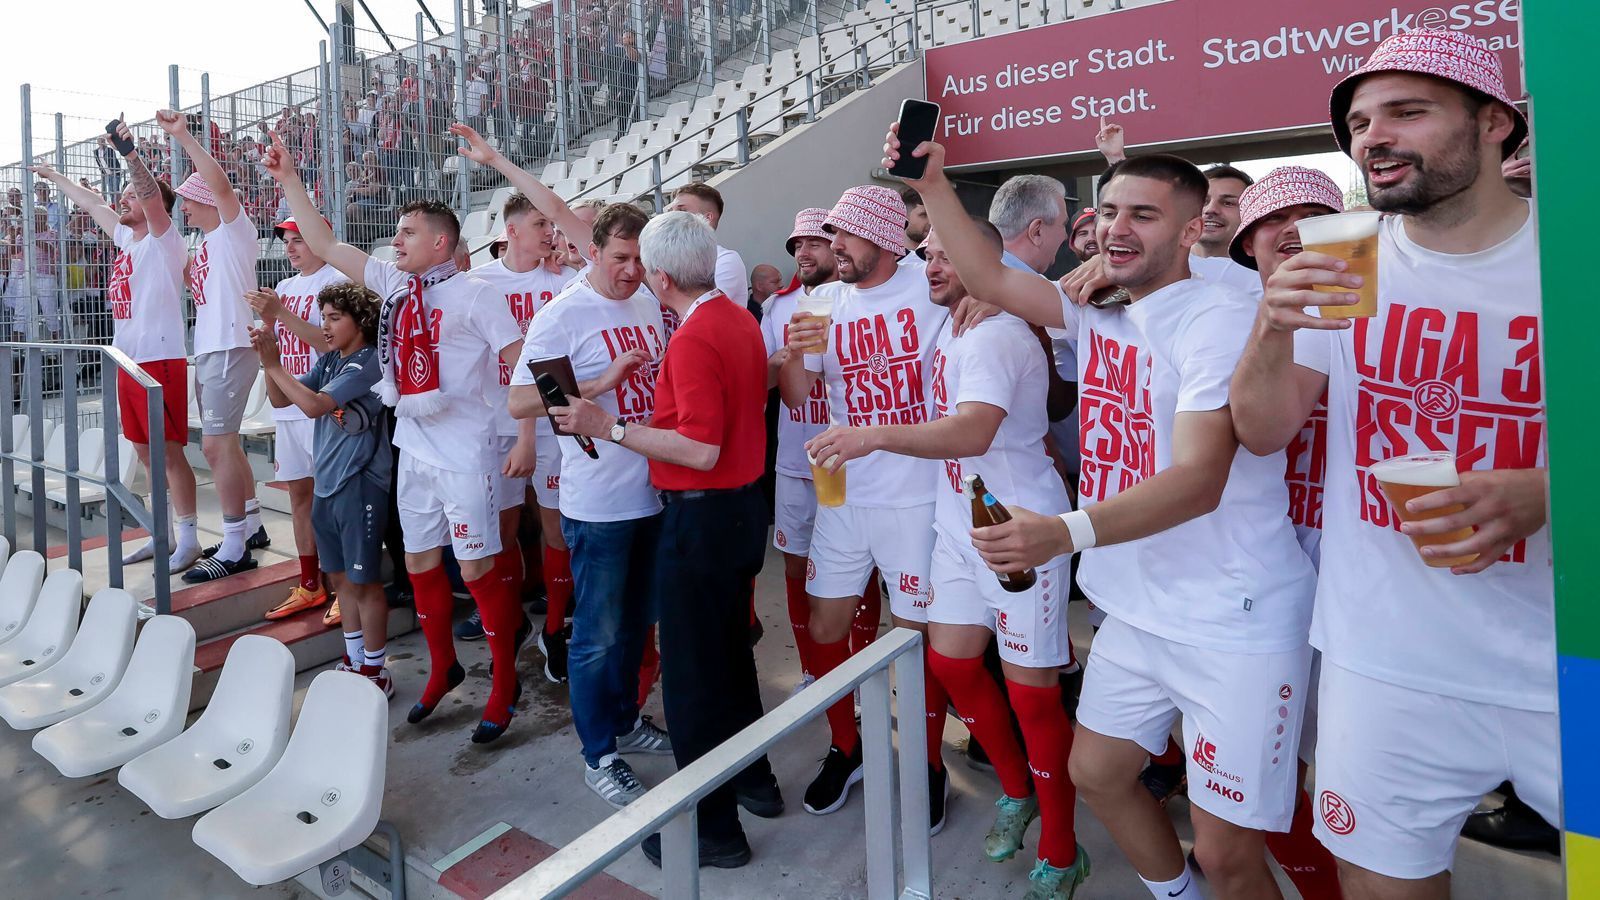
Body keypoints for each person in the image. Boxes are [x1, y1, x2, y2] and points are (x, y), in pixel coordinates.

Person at [887, 129, 1318, 899]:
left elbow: (1198, 481)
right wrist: (932, 188)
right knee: (1098, 773)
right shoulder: (1099, 303)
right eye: (1110, 209)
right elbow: (988, 270)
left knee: (1229, 855)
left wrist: (1062, 533)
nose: (1117, 227)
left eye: (1144, 215)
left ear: (1193, 230)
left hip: (1232, 617)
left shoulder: (1217, 315)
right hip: (1134, 607)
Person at [1229, 29, 1553, 898]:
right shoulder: (1347, 254)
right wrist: (1271, 324)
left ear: (1494, 124)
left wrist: (1554, 492)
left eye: (1407, 112)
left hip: (1567, 660)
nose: (1373, 136)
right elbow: (1263, 432)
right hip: (1384, 658)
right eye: (1361, 121)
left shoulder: (1572, 260)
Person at [807, 222, 1087, 897]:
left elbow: (974, 429)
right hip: (961, 524)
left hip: (1017, 529)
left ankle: (1061, 846)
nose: (931, 264)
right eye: (926, 253)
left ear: (985, 263)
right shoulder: (958, 322)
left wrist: (872, 435)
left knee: (1033, 696)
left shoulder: (992, 332)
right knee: (952, 662)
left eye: (945, 255)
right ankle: (1017, 791)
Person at [262, 129, 529, 745]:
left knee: (478, 564)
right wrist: (288, 180)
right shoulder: (395, 285)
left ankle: (505, 683)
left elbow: (522, 367)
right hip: (414, 448)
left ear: (441, 243)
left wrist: (526, 437)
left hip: (466, 451)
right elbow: (325, 241)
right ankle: (443, 669)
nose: (395, 241)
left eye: (407, 233)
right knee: (417, 560)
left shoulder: (477, 296)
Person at [552, 210, 780, 870]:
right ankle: (753, 780)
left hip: (704, 517)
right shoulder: (736, 317)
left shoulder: (698, 333)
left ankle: (711, 829)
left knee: (692, 682)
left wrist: (611, 425)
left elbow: (700, 449)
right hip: (739, 513)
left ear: (659, 275)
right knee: (730, 661)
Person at [777, 185, 951, 818]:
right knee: (826, 626)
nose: (832, 248)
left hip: (917, 495)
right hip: (844, 494)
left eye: (842, 236)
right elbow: (798, 398)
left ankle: (929, 764)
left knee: (914, 642)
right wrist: (794, 355)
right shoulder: (824, 300)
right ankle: (846, 745)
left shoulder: (928, 289)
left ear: (880, 237)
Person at [510, 202, 674, 808]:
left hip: (649, 491)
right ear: (593, 252)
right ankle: (598, 754)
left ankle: (627, 722)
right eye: (621, 258)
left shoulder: (645, 303)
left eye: (640, 259)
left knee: (635, 626)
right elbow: (521, 402)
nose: (632, 270)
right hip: (597, 502)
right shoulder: (563, 315)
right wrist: (599, 385)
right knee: (597, 637)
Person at [1227, 166, 1348, 900]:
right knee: (1275, 758)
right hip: (1266, 563)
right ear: (1247, 244)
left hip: (1367, 561)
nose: (1295, 228)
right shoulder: (1219, 307)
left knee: (1349, 768)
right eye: (1275, 218)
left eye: (1315, 214)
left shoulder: (1380, 305)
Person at [29, 151, 201, 573]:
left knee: (169, 452)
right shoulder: (128, 239)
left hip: (160, 360)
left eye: (131, 195)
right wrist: (55, 175)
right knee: (144, 452)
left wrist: (128, 154)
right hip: (128, 360)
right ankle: (162, 536)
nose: (122, 201)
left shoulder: (163, 240)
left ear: (152, 203)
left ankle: (190, 539)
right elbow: (91, 203)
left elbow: (147, 195)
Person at [447, 185, 570, 651]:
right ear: (511, 231)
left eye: (552, 224)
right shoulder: (479, 285)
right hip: (493, 423)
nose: (550, 232)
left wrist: (574, 263)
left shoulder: (562, 281)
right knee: (502, 525)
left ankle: (555, 625)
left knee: (555, 524)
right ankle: (504, 615)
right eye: (541, 224)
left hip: (552, 420)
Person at [253, 283, 392, 694]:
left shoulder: (368, 363)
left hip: (360, 485)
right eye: (324, 318)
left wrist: (276, 363)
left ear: (361, 322)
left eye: (335, 318)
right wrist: (268, 360)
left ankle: (377, 669)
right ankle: (353, 659)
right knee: (342, 581)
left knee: (364, 583)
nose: (325, 327)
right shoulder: (332, 359)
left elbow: (314, 405)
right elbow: (281, 401)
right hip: (328, 485)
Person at [157, 110, 269, 584]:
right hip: (211, 349)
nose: (182, 207)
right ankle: (252, 524)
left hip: (229, 347)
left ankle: (235, 544)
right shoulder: (204, 245)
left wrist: (183, 137)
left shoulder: (231, 231)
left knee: (218, 446)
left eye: (186, 200)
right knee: (227, 445)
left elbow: (221, 185)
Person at [248, 216, 347, 625]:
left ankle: (346, 588)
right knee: (299, 496)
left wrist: (281, 315)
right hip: (289, 404)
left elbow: (330, 342)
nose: (290, 248)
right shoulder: (285, 289)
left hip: (324, 403)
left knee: (336, 499)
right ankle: (310, 582)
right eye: (286, 241)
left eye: (298, 239)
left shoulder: (337, 280)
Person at [764, 208, 836, 694]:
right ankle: (812, 667)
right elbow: (771, 381)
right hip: (795, 460)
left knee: (849, 568)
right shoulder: (778, 307)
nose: (803, 253)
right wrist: (786, 356)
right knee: (796, 564)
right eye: (797, 245)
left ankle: (852, 664)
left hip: (843, 461)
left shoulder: (856, 301)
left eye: (814, 242)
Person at [665, 183, 747, 305]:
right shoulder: (666, 259)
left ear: (707, 218)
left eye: (682, 210)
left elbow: (704, 308)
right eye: (671, 211)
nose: (671, 216)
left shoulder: (726, 260)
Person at [1188, 165, 1261, 299]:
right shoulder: (1156, 270)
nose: (1211, 209)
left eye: (1228, 203)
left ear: (1249, 215)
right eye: (1204, 201)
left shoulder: (1266, 278)